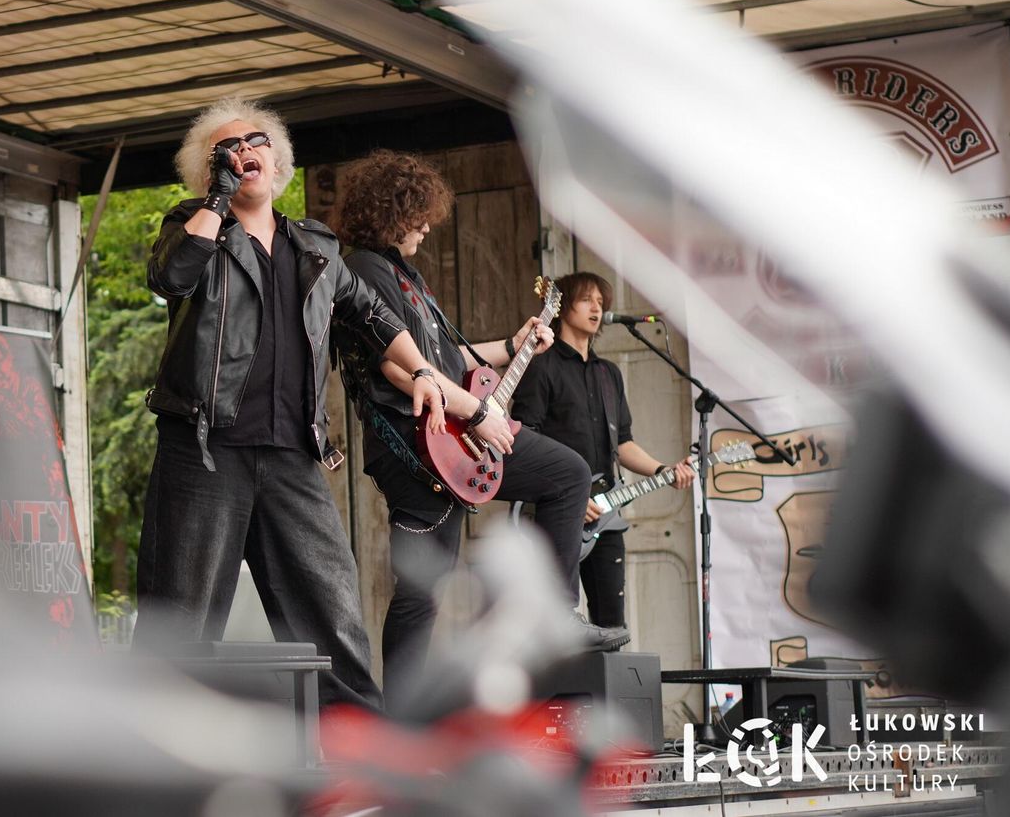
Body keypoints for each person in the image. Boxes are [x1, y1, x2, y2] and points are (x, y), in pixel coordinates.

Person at [135, 99, 445, 711]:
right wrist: (216, 199)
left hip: (293, 456)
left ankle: (358, 744)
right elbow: (172, 277)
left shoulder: (316, 246)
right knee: (181, 618)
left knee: (332, 612)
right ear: (208, 170)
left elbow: (372, 315)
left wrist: (423, 370)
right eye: (227, 148)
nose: (244, 151)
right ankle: (156, 749)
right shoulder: (194, 225)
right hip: (205, 450)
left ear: (278, 161)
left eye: (256, 141)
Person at [331, 150, 629, 711]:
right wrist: (479, 413)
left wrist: (515, 345)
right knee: (422, 590)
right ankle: (401, 719)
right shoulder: (365, 271)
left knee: (566, 473)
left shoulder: (405, 275)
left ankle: (555, 613)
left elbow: (448, 360)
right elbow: (398, 367)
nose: (426, 227)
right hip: (417, 446)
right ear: (391, 213)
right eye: (418, 216)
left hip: (452, 434)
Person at [511, 271, 694, 632]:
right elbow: (523, 435)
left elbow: (622, 443)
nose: (596, 308)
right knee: (553, 625)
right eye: (586, 300)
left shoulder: (609, 374)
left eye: (600, 301)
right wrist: (569, 496)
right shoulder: (541, 365)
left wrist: (663, 471)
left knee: (613, 627)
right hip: (557, 511)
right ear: (562, 307)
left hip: (606, 515)